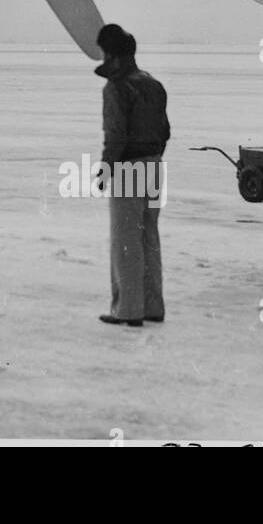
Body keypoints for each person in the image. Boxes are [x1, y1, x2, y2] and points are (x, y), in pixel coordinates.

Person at [95, 24, 170, 328]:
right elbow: (165, 131)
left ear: (111, 54)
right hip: (154, 167)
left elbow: (115, 135)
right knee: (149, 238)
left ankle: (127, 310)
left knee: (126, 241)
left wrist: (105, 168)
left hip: (128, 168)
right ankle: (153, 306)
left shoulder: (117, 88)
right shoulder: (153, 84)